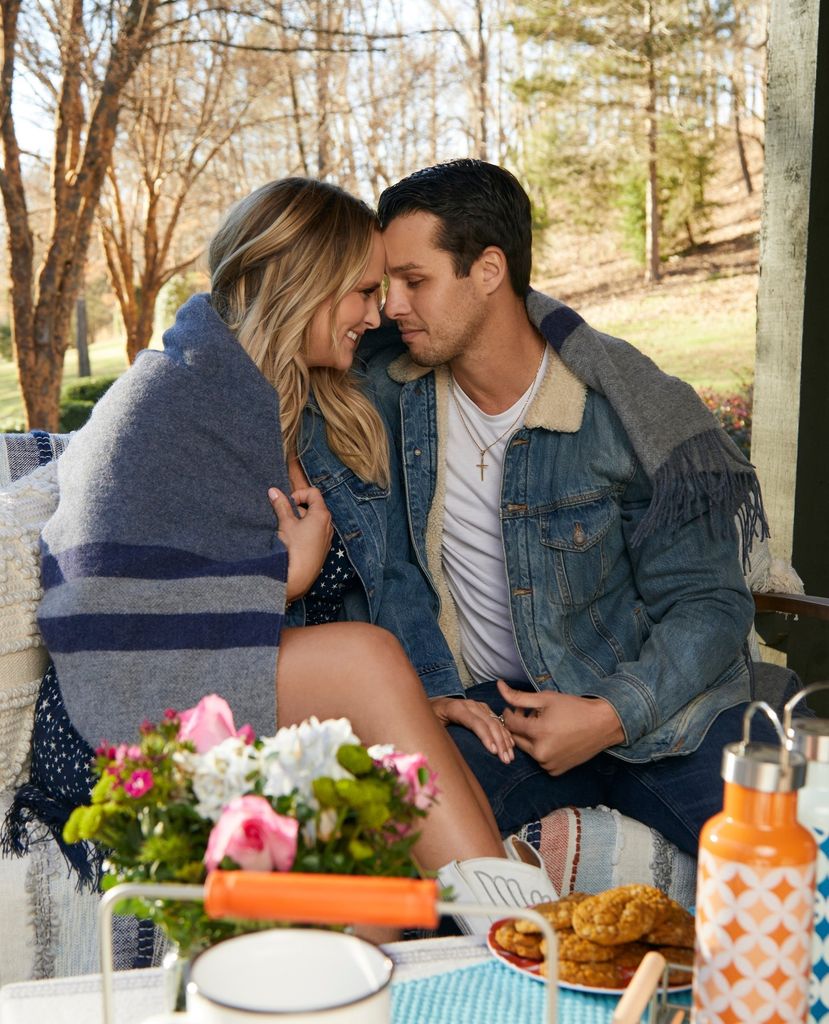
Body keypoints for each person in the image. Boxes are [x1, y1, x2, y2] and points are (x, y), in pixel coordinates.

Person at [5, 178, 555, 940]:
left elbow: (512, 320)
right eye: (363, 291)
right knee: (364, 661)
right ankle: (527, 942)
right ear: (304, 285)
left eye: (390, 289)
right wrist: (282, 578)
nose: (379, 312)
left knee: (374, 892)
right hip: (130, 716)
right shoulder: (166, 399)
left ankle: (491, 939)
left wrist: (409, 707)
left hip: (250, 692)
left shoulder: (290, 398)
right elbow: (102, 601)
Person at [365, 158, 774, 859]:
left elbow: (709, 603)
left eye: (413, 282)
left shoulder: (622, 412)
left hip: (664, 710)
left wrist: (611, 715)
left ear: (488, 270)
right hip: (497, 719)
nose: (389, 307)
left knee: (777, 877)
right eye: (384, 285)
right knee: (390, 857)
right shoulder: (390, 396)